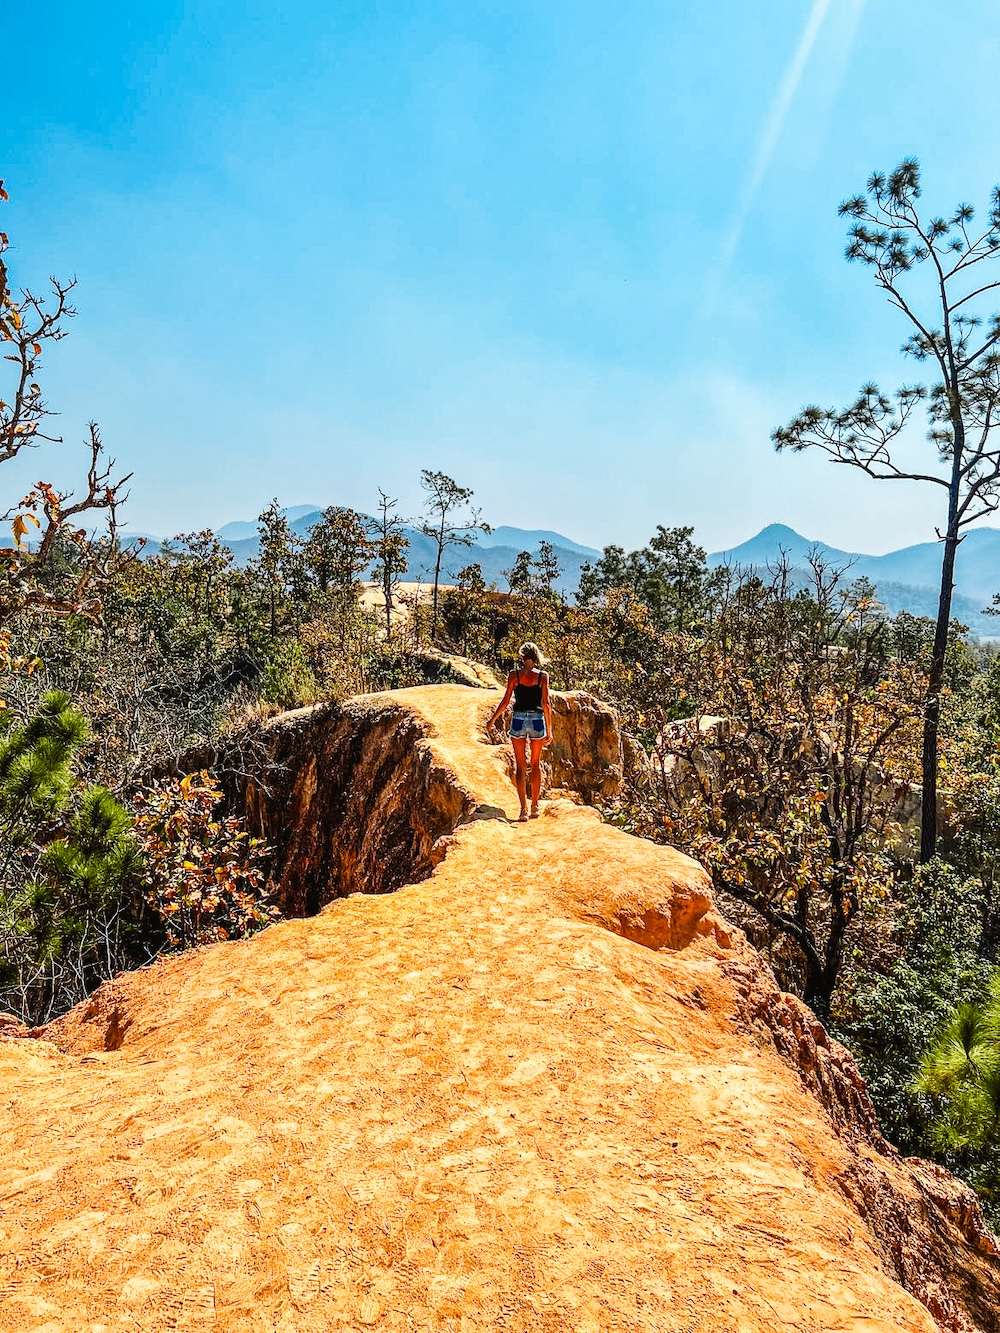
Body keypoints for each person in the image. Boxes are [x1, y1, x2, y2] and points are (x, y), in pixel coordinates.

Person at [487, 642, 553, 822]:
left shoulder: (514, 675)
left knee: (520, 765)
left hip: (518, 720)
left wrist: (493, 719)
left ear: (522, 657)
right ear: (536, 656)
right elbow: (546, 703)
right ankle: (535, 806)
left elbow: (506, 700)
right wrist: (550, 729)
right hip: (537, 720)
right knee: (535, 763)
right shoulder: (542, 677)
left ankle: (523, 809)